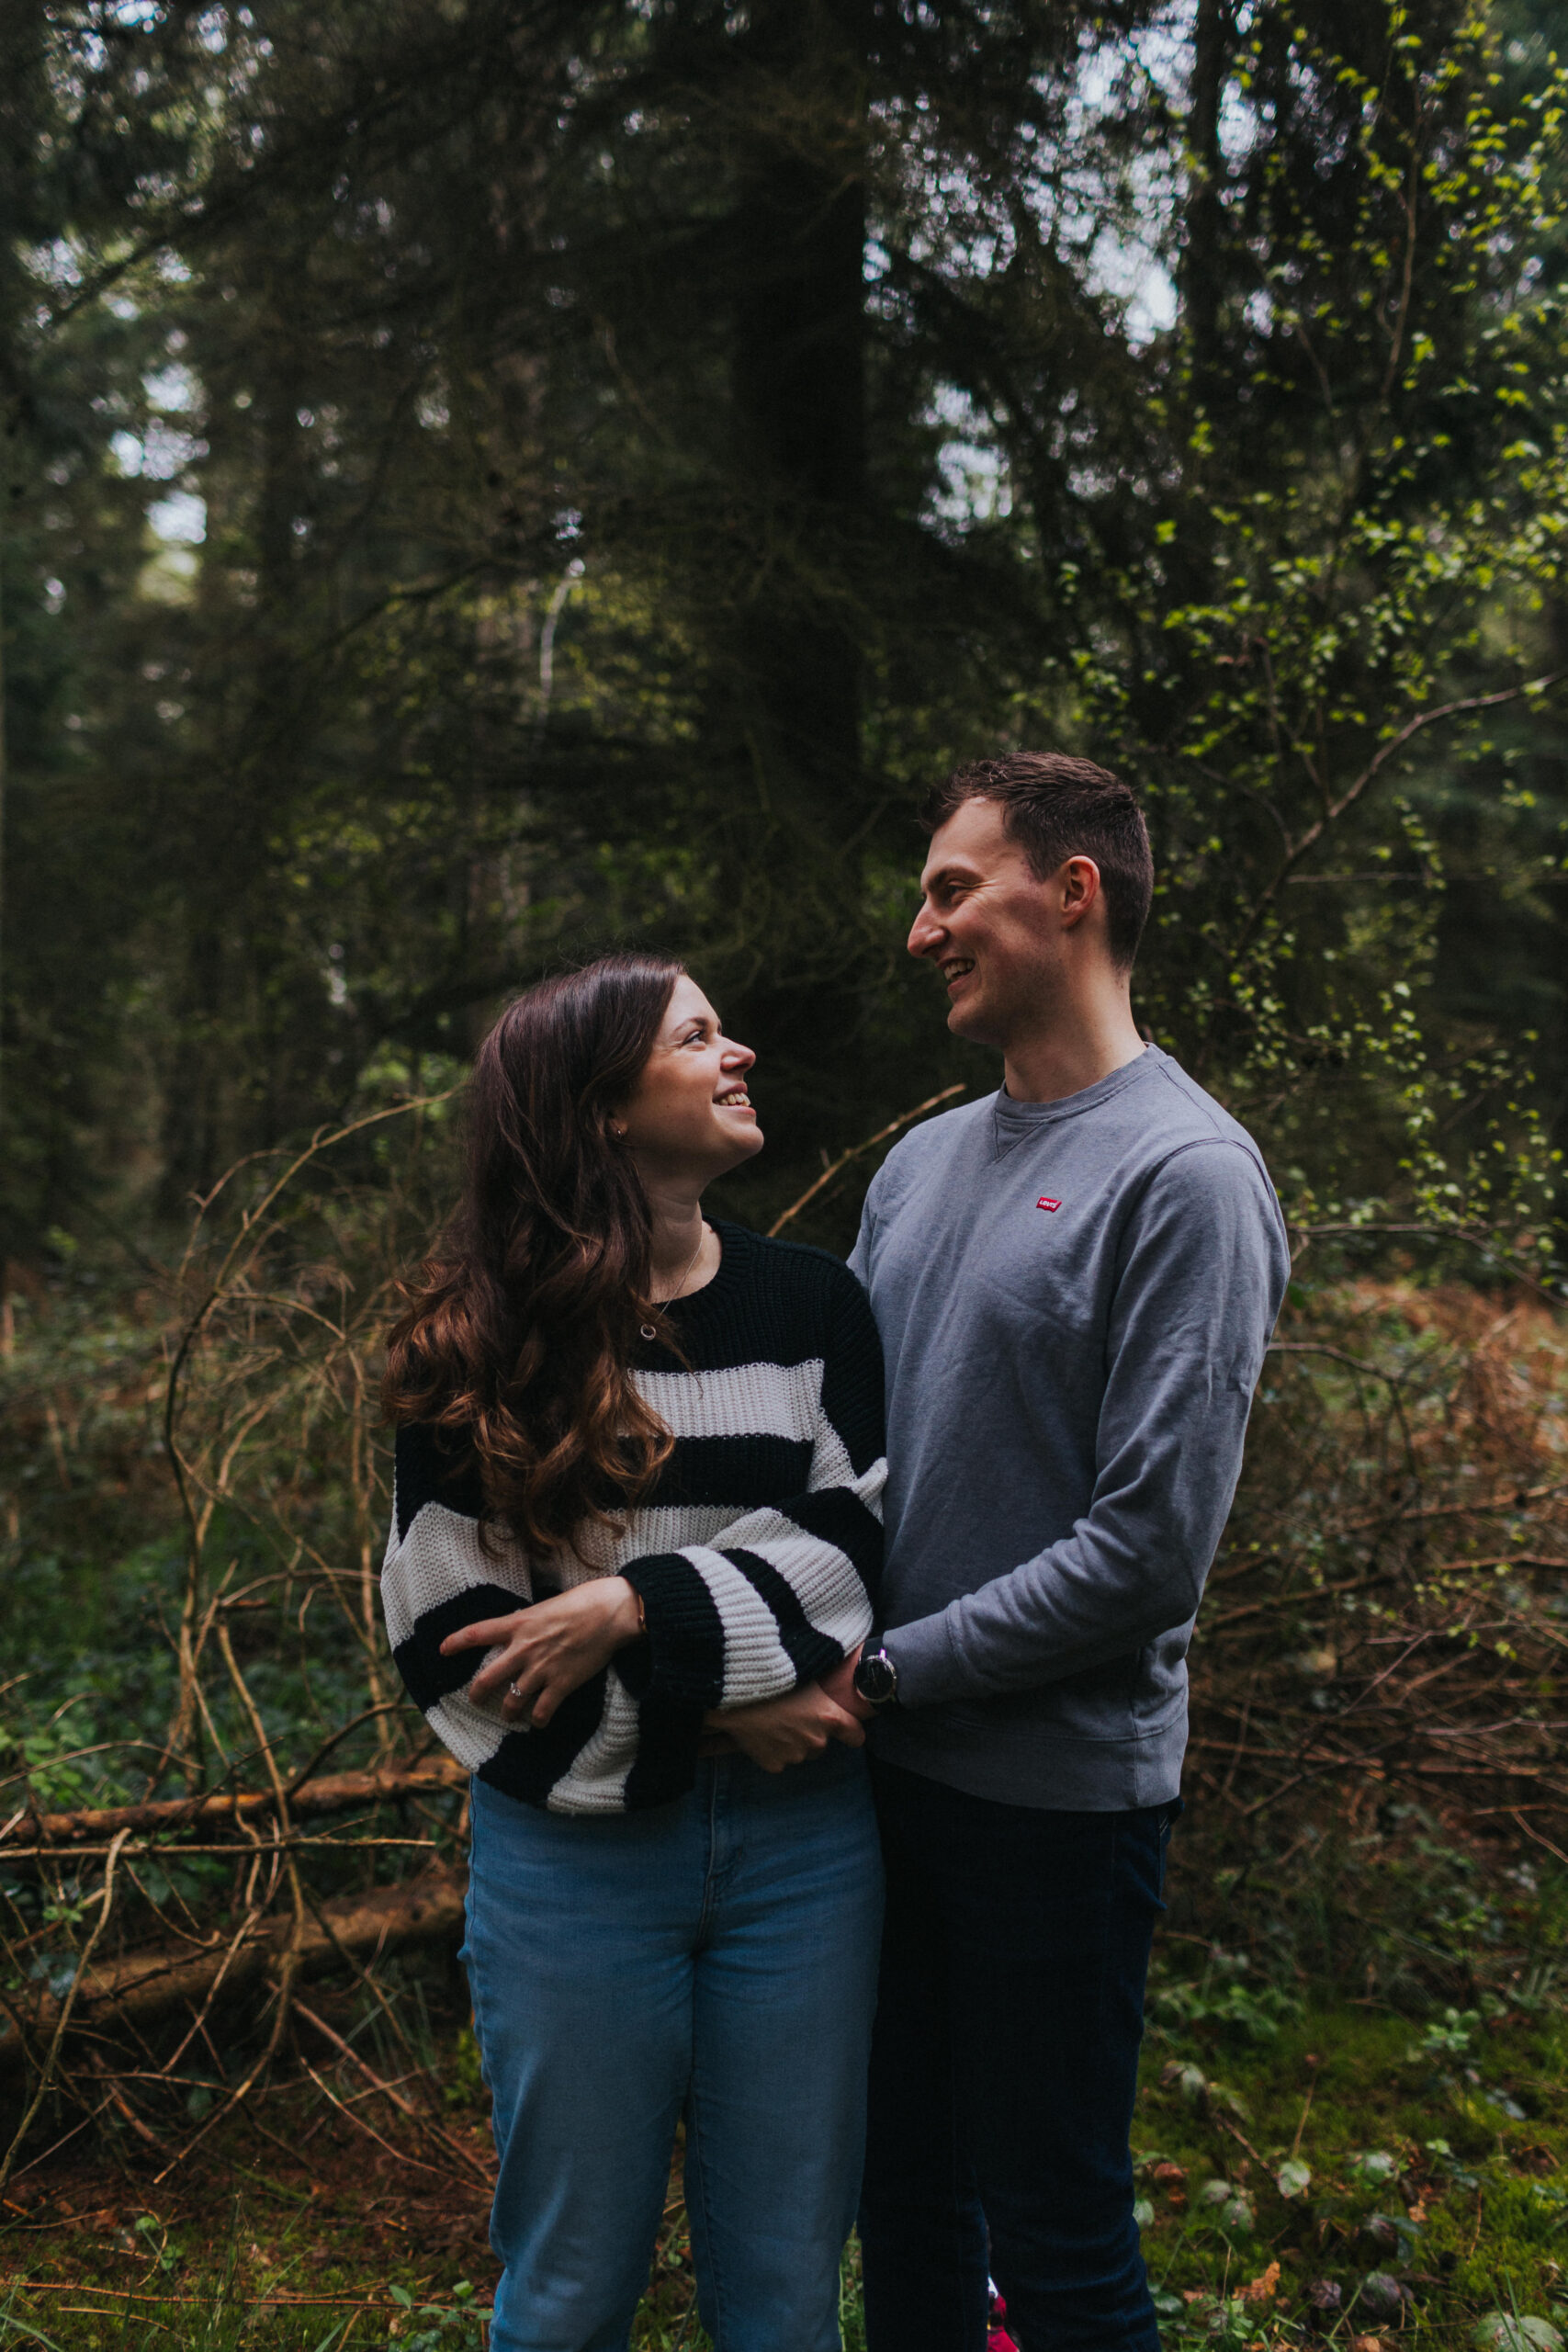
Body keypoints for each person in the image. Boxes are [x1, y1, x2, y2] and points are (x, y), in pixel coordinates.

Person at [832, 753, 1292, 2352]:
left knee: (1059, 2233)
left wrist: (889, 1669)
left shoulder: (1187, 1177)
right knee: (901, 2200)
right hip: (872, 1784)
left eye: (953, 888)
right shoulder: (916, 1171)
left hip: (1054, 1816)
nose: (921, 929)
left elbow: (1148, 1553)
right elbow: (849, 1474)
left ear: (1073, 891)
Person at [379, 953, 886, 2352]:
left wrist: (634, 1608)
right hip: (570, 1865)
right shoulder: (479, 1344)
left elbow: (854, 1548)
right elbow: (450, 1641)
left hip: (804, 1858)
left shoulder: (816, 1308)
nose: (743, 1055)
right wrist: (726, 1708)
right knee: (568, 2289)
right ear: (603, 1105)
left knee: (785, 2293)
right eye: (700, 1035)